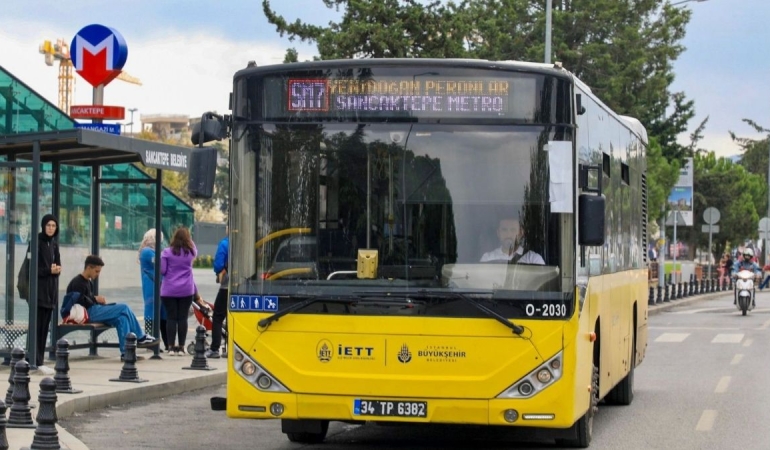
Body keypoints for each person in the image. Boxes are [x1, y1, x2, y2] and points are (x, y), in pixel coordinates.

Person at [65, 255, 157, 361]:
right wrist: (96, 299)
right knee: (124, 307)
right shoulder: (78, 282)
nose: (98, 274)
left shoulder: (88, 282)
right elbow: (80, 301)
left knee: (122, 318)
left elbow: (87, 299)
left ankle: (126, 353)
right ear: (89, 267)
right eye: (96, 271)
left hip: (92, 310)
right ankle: (140, 337)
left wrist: (96, 300)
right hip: (87, 313)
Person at [160, 227, 198, 356]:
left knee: (171, 317)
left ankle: (170, 347)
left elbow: (163, 271)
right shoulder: (191, 252)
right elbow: (193, 246)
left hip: (169, 290)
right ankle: (181, 347)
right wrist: (189, 240)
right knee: (182, 318)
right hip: (186, 290)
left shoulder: (166, 252)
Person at [34, 214, 62, 375]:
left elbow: (58, 265)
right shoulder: (37, 243)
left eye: (53, 225)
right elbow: (34, 270)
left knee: (45, 328)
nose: (51, 228)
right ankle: (36, 360)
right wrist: (49, 271)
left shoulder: (54, 245)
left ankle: (40, 360)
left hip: (50, 293)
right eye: (48, 225)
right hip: (39, 293)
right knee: (38, 327)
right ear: (43, 226)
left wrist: (56, 270)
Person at [138, 229, 170, 352]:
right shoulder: (147, 252)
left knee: (163, 314)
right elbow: (160, 264)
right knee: (151, 313)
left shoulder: (154, 251)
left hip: (160, 286)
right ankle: (151, 343)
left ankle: (167, 343)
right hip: (151, 286)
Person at [480, 217, 545, 265]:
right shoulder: (487, 258)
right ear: (498, 233)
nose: (508, 234)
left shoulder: (533, 259)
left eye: (513, 230)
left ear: (521, 233)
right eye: (504, 230)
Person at [206, 233, 229, 359]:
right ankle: (231, 347)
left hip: (227, 285)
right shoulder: (246, 241)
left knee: (218, 317)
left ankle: (215, 348)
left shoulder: (225, 243)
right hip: (244, 286)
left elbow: (219, 264)